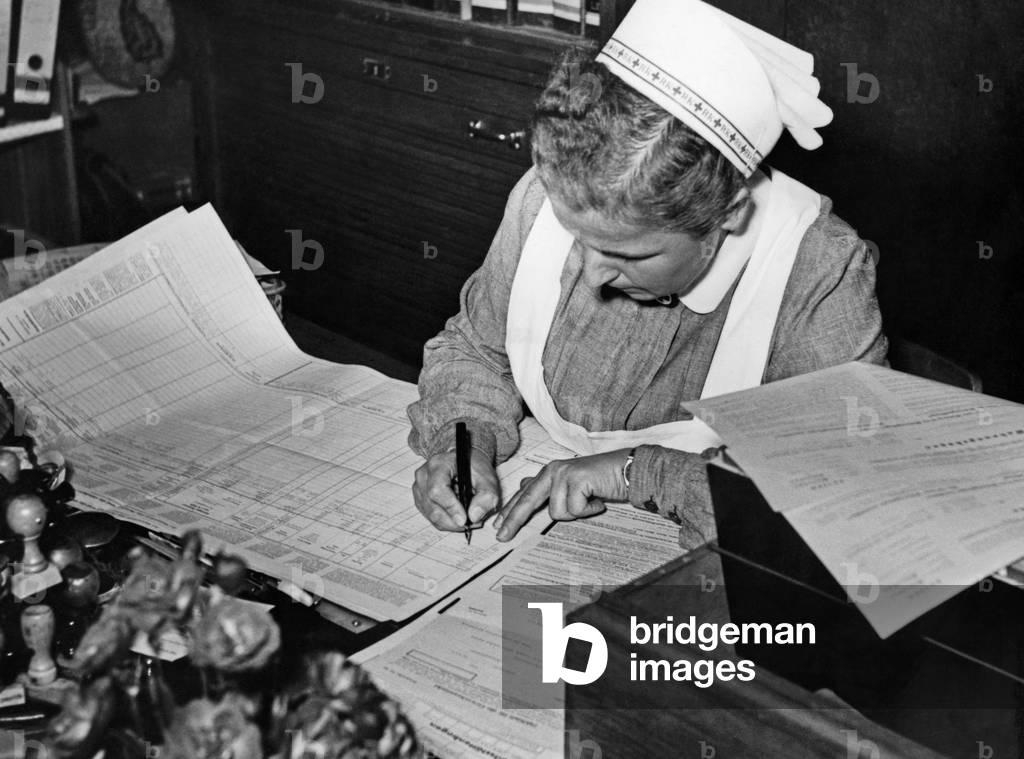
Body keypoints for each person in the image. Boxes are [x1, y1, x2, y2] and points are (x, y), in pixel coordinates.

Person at [407, 0, 887, 548]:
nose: (589, 278)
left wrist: (641, 473)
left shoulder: (816, 269)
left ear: (727, 215)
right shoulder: (542, 200)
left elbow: (842, 488)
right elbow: (476, 348)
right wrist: (461, 438)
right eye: (577, 240)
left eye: (630, 257)